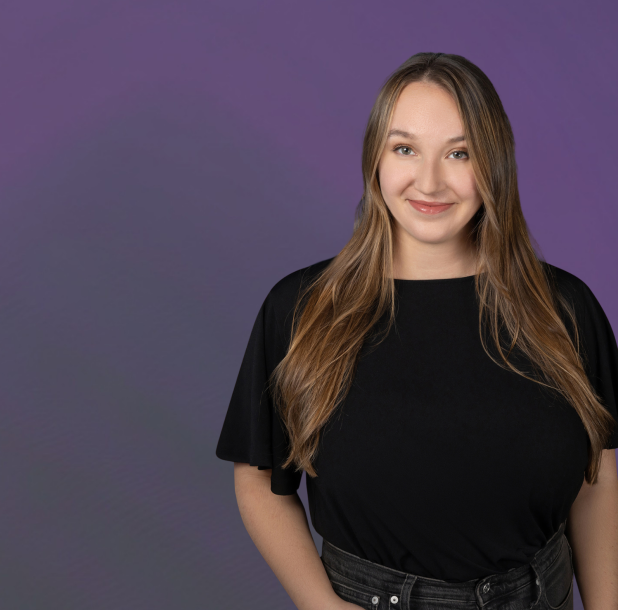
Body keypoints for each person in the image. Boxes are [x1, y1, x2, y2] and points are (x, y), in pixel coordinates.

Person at [215, 52, 618, 610]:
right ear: (375, 161)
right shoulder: (303, 309)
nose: (430, 181)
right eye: (405, 149)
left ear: (493, 165)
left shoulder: (565, 310)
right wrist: (322, 607)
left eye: (460, 153)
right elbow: (259, 480)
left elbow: (594, 481)